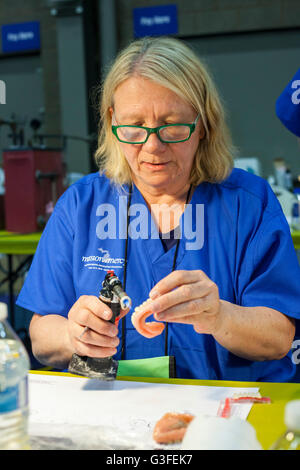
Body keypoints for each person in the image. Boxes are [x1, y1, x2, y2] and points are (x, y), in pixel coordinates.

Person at [17, 37, 300, 382]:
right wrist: (71, 335)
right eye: (134, 127)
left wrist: (220, 317)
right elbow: (41, 336)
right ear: (112, 122)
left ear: (204, 124)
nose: (153, 146)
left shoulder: (247, 204)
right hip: (112, 411)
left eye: (173, 126)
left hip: (223, 417)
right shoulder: (81, 205)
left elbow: (279, 337)